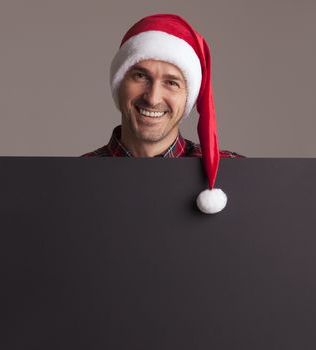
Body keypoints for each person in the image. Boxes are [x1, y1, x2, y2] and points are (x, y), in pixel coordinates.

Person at [82, 14, 244, 214]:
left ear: (188, 98)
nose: (152, 98)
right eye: (140, 76)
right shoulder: (75, 178)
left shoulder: (235, 175)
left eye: (171, 82)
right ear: (118, 84)